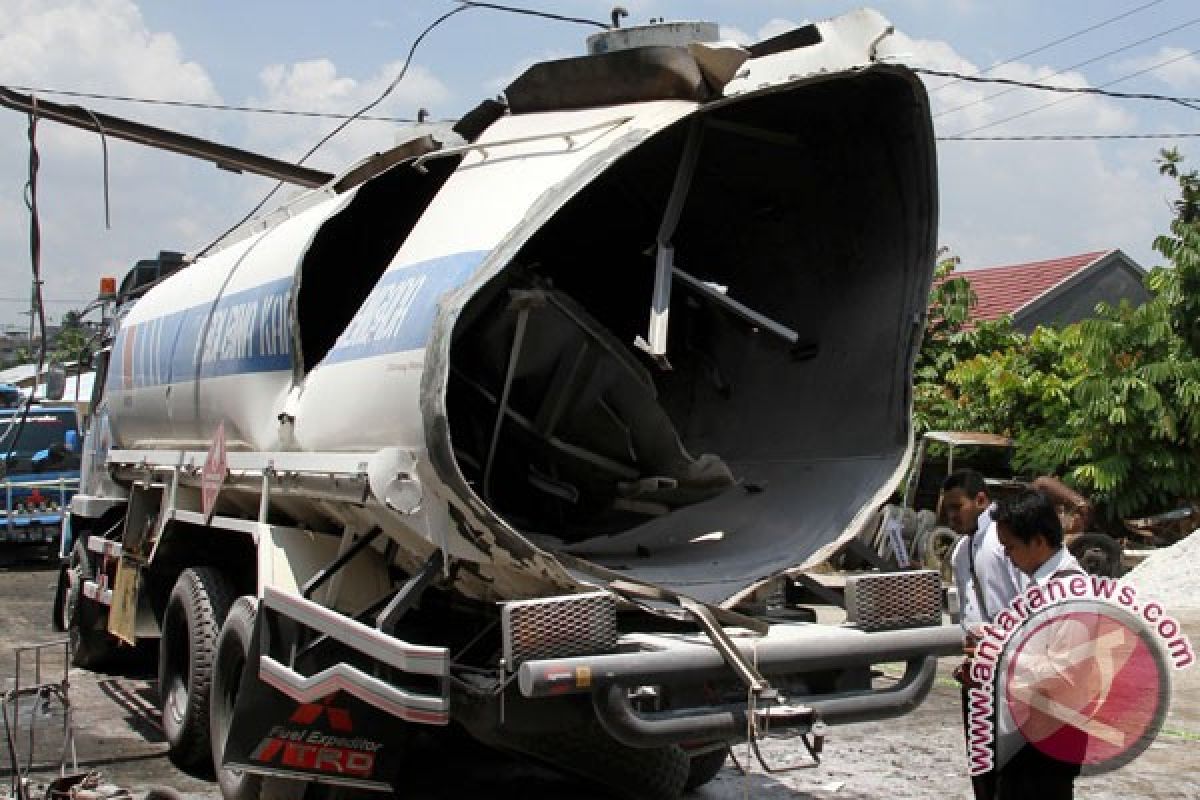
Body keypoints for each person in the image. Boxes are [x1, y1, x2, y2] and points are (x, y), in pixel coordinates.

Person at [992, 490, 1085, 800]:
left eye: (1011, 547)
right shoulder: (1038, 584)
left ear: (1038, 541)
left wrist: (998, 658)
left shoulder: (1071, 592)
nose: (1007, 556)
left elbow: (1063, 676)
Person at [943, 468, 1025, 800]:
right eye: (945, 509)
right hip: (979, 666)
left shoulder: (1003, 542)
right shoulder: (962, 550)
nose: (950, 516)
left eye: (955, 507)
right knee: (982, 759)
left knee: (1010, 766)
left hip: (1010, 667)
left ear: (980, 500)